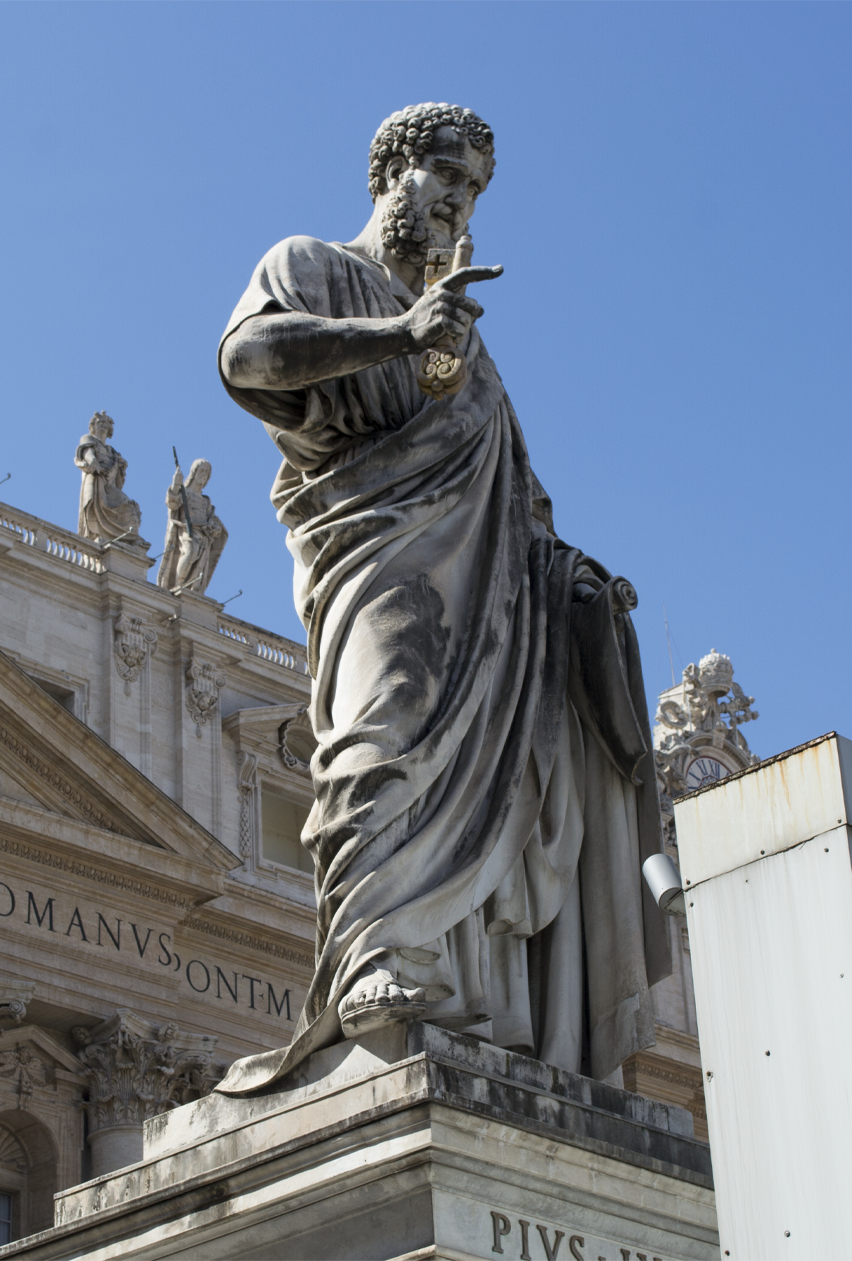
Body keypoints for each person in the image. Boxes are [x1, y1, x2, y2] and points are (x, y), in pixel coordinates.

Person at [216, 103, 669, 1094]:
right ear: (391, 175)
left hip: (491, 602)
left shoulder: (474, 353)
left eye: (471, 193)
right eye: (445, 182)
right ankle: (378, 951)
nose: (458, 207)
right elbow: (246, 361)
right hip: (373, 556)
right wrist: (395, 331)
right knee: (382, 726)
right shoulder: (310, 265)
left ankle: (465, 990)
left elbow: (520, 503)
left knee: (495, 775)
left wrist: (573, 582)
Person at [157, 459, 228, 594]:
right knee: (190, 552)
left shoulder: (206, 501)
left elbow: (213, 519)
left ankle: (190, 588)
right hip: (187, 531)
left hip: (203, 535)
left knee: (198, 563)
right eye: (201, 471)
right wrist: (176, 484)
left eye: (207, 474)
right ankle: (178, 585)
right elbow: (172, 503)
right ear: (194, 473)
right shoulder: (185, 493)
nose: (204, 475)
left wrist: (215, 528)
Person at [74, 412, 143, 544]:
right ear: (93, 426)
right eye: (99, 422)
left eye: (106, 423)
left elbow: (119, 479)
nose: (102, 425)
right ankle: (98, 535)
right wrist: (92, 460)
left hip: (109, 484)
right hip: (96, 479)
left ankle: (129, 539)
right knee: (94, 505)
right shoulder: (88, 439)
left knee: (129, 506)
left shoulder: (112, 451)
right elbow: (87, 452)